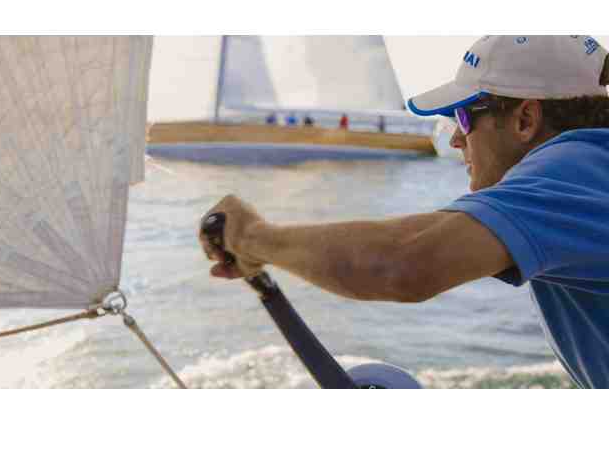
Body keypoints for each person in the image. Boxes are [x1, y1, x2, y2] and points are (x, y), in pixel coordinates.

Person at [199, 36, 609, 389]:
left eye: (463, 117)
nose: (456, 140)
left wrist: (251, 237)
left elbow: (402, 263)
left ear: (525, 119)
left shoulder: (578, 169)